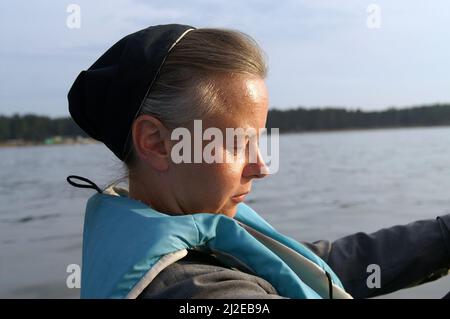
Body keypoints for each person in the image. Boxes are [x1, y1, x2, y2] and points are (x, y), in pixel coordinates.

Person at [66, 24, 450, 299]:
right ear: (157, 143)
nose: (262, 166)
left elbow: (322, 265)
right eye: (236, 143)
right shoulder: (198, 290)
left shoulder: (188, 228)